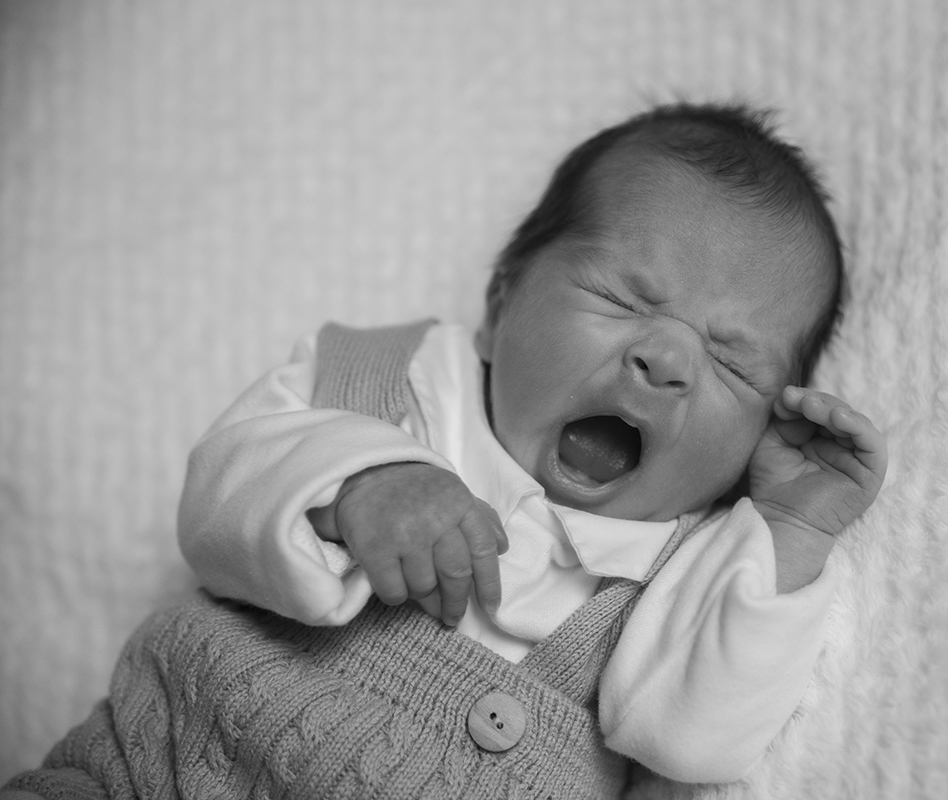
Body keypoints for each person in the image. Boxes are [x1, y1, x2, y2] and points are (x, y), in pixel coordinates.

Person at [4, 102, 886, 799]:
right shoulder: (385, 378)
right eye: (624, 297)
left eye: (732, 362)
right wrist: (357, 482)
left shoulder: (690, 561)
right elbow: (218, 498)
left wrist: (788, 528)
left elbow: (698, 737)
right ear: (501, 306)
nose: (666, 360)